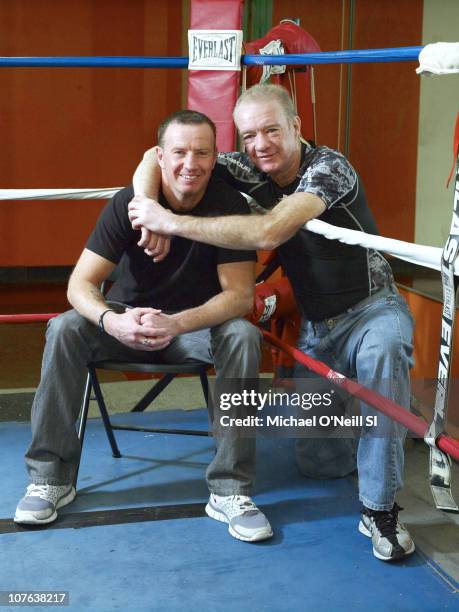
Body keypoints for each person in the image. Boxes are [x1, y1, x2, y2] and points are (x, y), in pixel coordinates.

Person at [128, 84, 415, 562]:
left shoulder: (329, 167)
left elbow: (269, 231)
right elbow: (153, 156)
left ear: (297, 128)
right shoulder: (247, 166)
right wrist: (148, 214)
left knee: (382, 360)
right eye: (248, 135)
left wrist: (172, 223)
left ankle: (381, 510)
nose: (260, 144)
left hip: (373, 309)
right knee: (320, 465)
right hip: (317, 328)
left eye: (271, 131)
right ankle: (383, 425)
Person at [14, 110, 273, 543]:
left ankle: (231, 490)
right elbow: (80, 283)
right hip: (125, 321)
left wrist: (175, 323)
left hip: (193, 327)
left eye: (202, 152)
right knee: (64, 328)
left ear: (215, 157)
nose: (190, 163)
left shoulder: (229, 206)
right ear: (159, 156)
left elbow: (239, 297)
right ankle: (51, 479)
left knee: (243, 335)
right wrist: (110, 320)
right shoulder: (128, 204)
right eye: (179, 152)